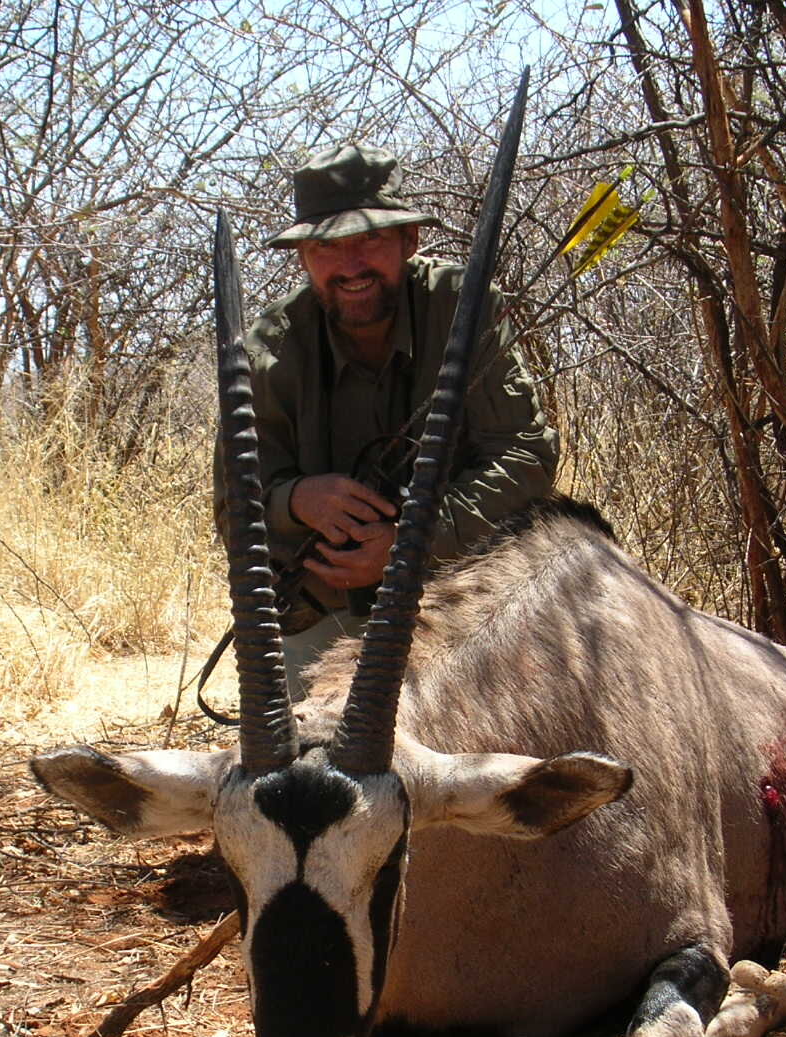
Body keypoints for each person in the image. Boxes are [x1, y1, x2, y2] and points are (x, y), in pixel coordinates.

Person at [215, 144, 558, 687]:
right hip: (319, 615)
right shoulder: (265, 349)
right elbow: (233, 506)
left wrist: (411, 544)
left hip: (460, 603)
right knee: (298, 760)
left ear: (409, 240)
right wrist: (297, 499)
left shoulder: (464, 309)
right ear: (303, 256)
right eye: (327, 246)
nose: (351, 265)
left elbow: (526, 458)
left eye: (370, 239)